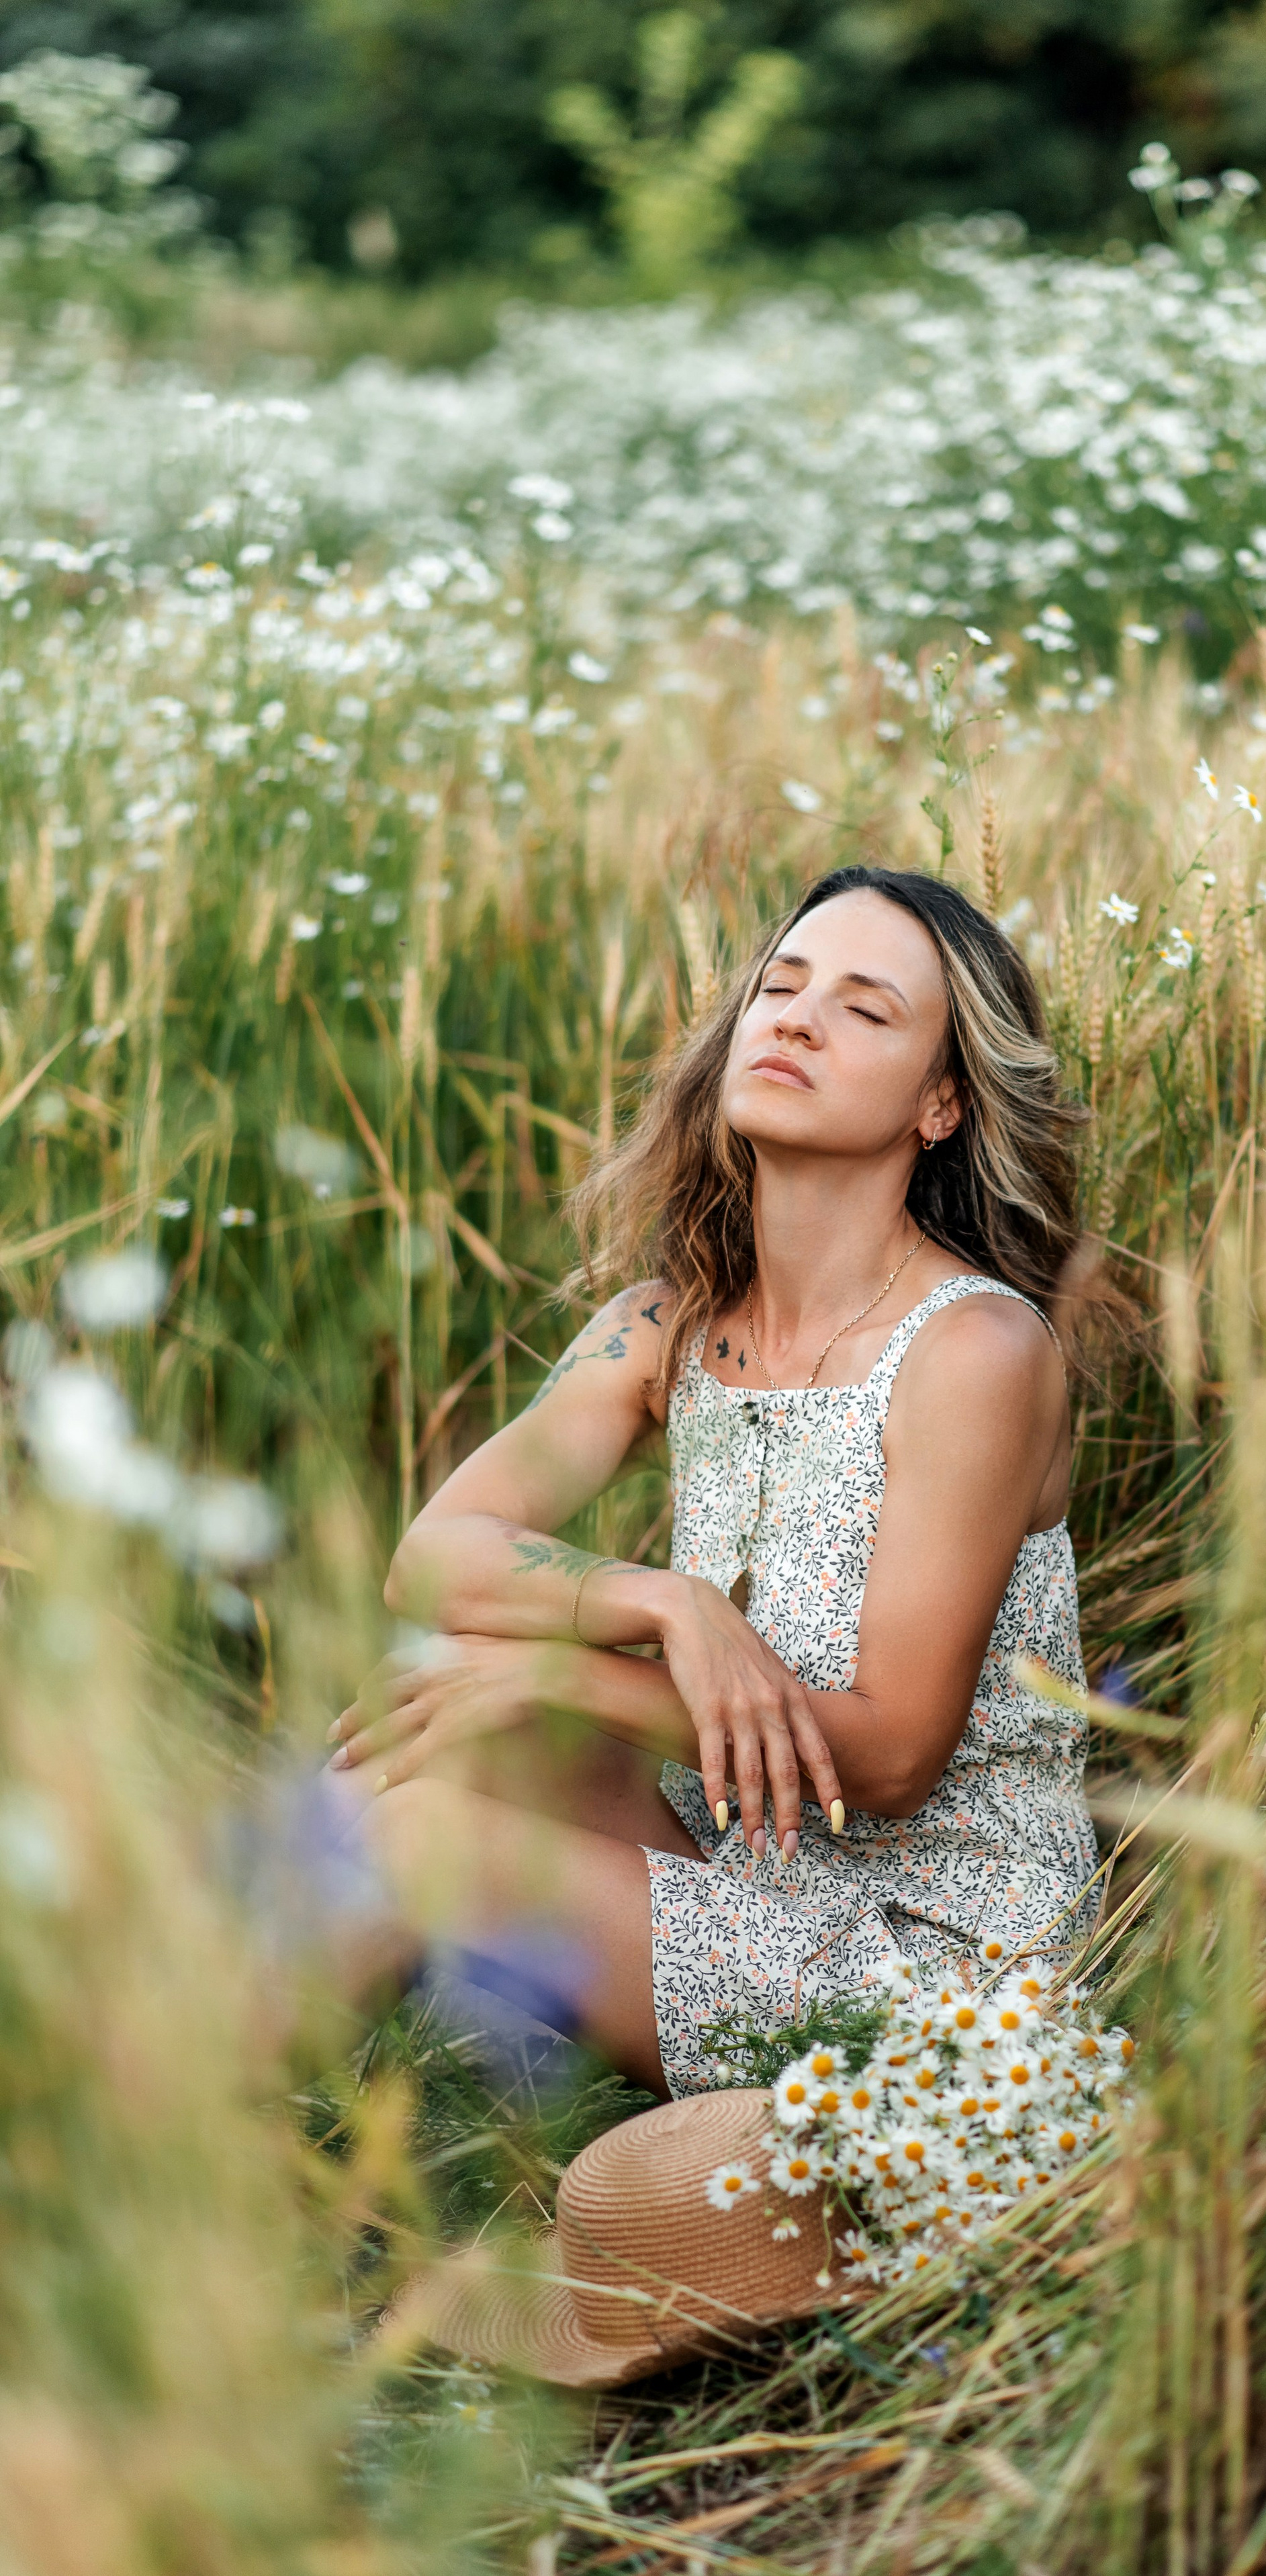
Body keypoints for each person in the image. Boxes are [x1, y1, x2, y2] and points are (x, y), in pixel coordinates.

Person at [324, 865, 1110, 2098]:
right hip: (750, 1860)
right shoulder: (663, 1328)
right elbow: (434, 1558)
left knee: (418, 1826)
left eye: (863, 1010)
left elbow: (896, 1756)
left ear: (941, 1104)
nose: (794, 1018)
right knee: (419, 1739)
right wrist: (667, 1608)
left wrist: (550, 1665)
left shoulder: (975, 1350)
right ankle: (162, 2122)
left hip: (932, 1959)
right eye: (780, 986)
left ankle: (141, 2182)